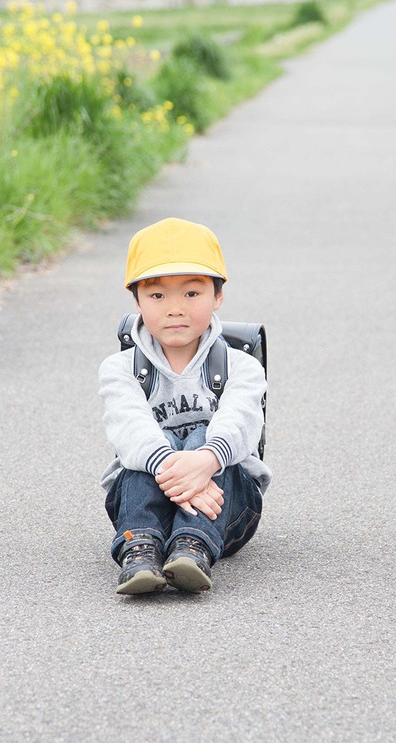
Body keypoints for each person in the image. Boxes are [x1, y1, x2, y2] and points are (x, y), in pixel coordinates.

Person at [99, 217, 270, 595]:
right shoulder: (120, 369)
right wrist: (170, 467)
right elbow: (128, 426)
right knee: (147, 445)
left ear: (218, 296)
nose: (175, 308)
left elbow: (241, 421)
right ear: (137, 300)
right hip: (146, 499)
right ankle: (139, 548)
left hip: (227, 504)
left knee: (202, 434)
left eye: (191, 294)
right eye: (158, 296)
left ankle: (191, 547)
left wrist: (206, 460)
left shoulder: (240, 366)